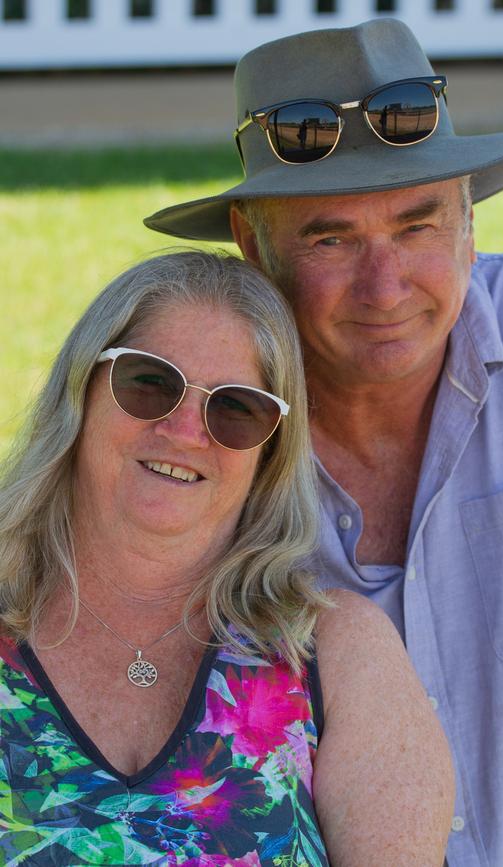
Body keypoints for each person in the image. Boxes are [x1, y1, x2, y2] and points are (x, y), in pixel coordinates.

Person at [144, 18, 503, 867]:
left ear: (468, 222)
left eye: (417, 225)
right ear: (250, 242)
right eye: (330, 238)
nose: (386, 287)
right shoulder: (199, 415)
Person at [0, 250, 454, 866]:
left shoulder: (337, 653)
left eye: (236, 409)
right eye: (149, 383)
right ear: (82, 390)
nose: (186, 429)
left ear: (270, 452)